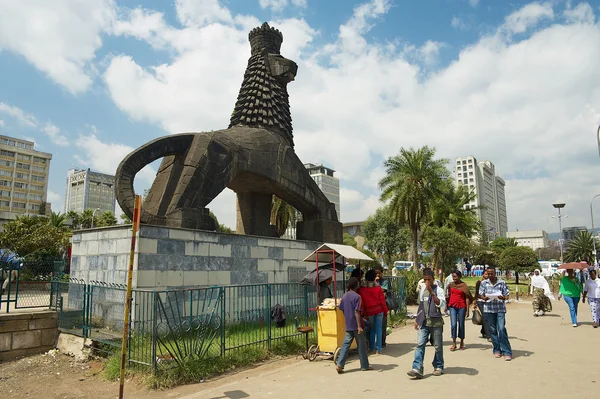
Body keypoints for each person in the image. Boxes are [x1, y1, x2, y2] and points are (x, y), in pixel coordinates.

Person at [407, 268, 445, 379]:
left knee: (437, 346)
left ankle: (438, 366)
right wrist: (417, 320)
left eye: (429, 280)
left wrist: (432, 292)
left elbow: (441, 304)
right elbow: (421, 306)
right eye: (425, 280)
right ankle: (417, 368)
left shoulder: (439, 290)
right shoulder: (423, 289)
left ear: (433, 279)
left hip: (436, 322)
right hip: (424, 322)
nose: (427, 282)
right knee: (420, 344)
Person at [336, 277, 371, 373]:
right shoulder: (357, 297)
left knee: (345, 345)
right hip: (357, 324)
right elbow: (357, 312)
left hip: (349, 324)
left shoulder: (344, 296)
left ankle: (340, 364)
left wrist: (347, 318)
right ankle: (364, 365)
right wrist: (359, 326)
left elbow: (342, 309)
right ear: (357, 286)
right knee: (361, 345)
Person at [479, 266, 512, 361]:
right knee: (493, 330)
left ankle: (507, 351)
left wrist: (503, 297)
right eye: (488, 274)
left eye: (491, 274)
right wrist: (484, 297)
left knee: (501, 329)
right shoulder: (484, 283)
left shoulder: (502, 282)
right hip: (489, 309)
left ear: (495, 273)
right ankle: (497, 349)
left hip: (500, 309)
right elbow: (481, 294)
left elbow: (506, 295)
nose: (490, 275)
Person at [359, 269, 388, 354]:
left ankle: (371, 347)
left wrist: (364, 313)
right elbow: (382, 301)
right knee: (379, 329)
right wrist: (386, 311)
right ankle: (378, 349)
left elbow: (363, 303)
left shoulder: (362, 289)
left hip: (369, 311)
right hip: (379, 310)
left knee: (372, 329)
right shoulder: (378, 288)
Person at [446, 270, 473, 350]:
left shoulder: (464, 286)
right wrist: (446, 306)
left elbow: (467, 298)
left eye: (455, 277)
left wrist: (468, 310)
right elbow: (448, 295)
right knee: (453, 325)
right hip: (452, 306)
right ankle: (454, 343)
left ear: (459, 277)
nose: (453, 278)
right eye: (453, 277)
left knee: (461, 324)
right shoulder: (450, 285)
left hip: (462, 307)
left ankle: (461, 341)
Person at [374, 265, 389, 347]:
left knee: (382, 325)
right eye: (376, 274)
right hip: (374, 306)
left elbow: (381, 291)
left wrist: (376, 283)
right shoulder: (372, 282)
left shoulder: (384, 282)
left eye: (379, 273)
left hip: (382, 307)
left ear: (382, 273)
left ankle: (382, 342)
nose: (377, 275)